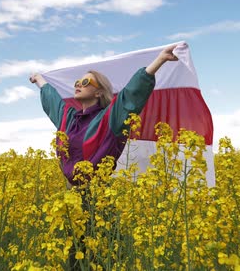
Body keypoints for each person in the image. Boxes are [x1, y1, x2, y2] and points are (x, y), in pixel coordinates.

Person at [29, 44, 180, 187]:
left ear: (99, 92)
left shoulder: (109, 119)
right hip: (71, 198)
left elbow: (129, 96)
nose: (78, 85)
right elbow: (53, 100)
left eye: (86, 81)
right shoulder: (69, 120)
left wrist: (160, 60)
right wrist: (39, 79)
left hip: (97, 198)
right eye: (77, 82)